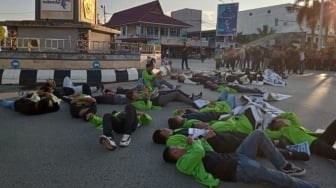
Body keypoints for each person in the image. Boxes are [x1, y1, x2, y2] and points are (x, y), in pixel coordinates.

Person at [162, 130, 319, 188]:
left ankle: (283, 164)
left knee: (258, 134)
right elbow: (198, 153)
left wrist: (205, 138)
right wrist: (195, 143)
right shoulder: (182, 165)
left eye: (176, 147)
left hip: (237, 156)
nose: (178, 149)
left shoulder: (190, 150)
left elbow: (207, 149)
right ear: (175, 159)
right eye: (175, 151)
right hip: (237, 169)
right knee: (282, 180)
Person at [153, 128, 309, 161]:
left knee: (246, 140)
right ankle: (291, 153)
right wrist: (204, 137)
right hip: (215, 144)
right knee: (256, 147)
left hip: (212, 139)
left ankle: (283, 147)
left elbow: (189, 139)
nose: (167, 129)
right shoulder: (172, 140)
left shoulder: (175, 135)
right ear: (163, 136)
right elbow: (189, 145)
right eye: (163, 130)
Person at [266, 112, 336, 160]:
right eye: (276, 122)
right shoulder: (282, 132)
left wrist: (278, 116)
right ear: (275, 127)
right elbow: (267, 132)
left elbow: (291, 115)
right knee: (333, 153)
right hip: (313, 144)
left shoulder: (294, 125)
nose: (279, 120)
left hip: (319, 137)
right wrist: (267, 123)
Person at [125, 88, 201, 110]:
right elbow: (147, 107)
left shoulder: (139, 95)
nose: (136, 93)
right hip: (158, 101)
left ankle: (190, 97)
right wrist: (148, 98)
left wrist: (148, 92)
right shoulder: (136, 103)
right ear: (132, 97)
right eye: (134, 93)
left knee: (176, 91)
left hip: (156, 96)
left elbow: (149, 92)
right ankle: (192, 103)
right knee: (176, 94)